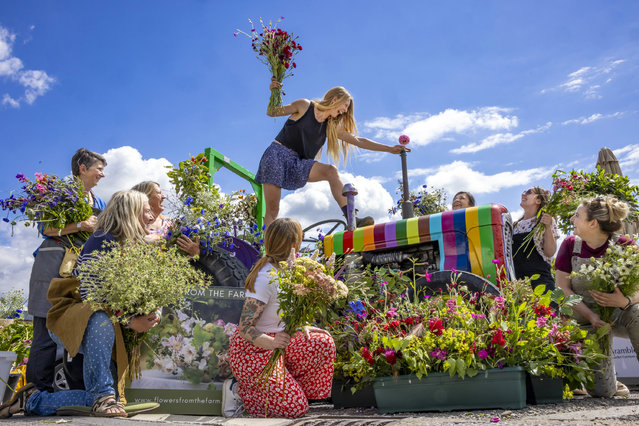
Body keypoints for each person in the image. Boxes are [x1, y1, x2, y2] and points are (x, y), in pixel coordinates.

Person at [0, 190, 160, 418]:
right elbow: (91, 295)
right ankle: (103, 395)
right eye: (146, 210)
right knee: (100, 319)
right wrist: (130, 320)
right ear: (130, 212)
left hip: (108, 325)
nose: (152, 216)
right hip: (74, 319)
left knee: (96, 397)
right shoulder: (102, 240)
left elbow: (154, 290)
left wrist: (155, 313)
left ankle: (34, 399)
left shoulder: (140, 249)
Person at [256, 78, 409, 227]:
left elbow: (359, 141)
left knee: (331, 171)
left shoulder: (331, 127)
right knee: (273, 210)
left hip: (298, 163)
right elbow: (272, 111)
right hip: (276, 155)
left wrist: (389, 149)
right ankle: (268, 250)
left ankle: (353, 218)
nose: (345, 110)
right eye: (345, 105)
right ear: (335, 99)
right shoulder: (304, 106)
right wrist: (274, 91)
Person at [228, 218, 335, 418]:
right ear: (294, 244)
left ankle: (286, 388)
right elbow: (245, 327)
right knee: (295, 409)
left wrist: (302, 326)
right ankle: (243, 394)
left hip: (278, 344)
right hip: (252, 353)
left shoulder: (288, 271)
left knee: (322, 343)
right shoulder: (265, 278)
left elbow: (280, 315)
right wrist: (272, 341)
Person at [25, 148, 107, 393]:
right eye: (99, 170)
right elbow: (47, 229)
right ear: (82, 169)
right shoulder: (58, 194)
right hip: (53, 263)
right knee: (45, 326)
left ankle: (76, 389)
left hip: (81, 268)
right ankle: (35, 392)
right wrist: (81, 225)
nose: (102, 175)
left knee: (80, 326)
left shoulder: (99, 202)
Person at [555, 196, 638, 398]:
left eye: (577, 215)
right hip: (586, 322)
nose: (572, 219)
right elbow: (564, 289)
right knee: (602, 392)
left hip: (619, 316)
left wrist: (624, 302)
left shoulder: (624, 245)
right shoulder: (569, 245)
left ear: (592, 223)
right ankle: (613, 382)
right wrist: (592, 317)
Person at [130, 181, 199, 255]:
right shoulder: (131, 226)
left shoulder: (173, 223)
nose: (164, 197)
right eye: (159, 193)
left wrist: (195, 252)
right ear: (145, 197)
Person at [512, 186, 559, 291]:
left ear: (538, 200)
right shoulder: (513, 226)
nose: (523, 194)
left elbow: (550, 252)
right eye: (524, 191)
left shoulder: (545, 222)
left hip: (541, 284)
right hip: (518, 286)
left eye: (528, 192)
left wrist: (547, 227)